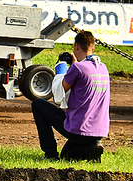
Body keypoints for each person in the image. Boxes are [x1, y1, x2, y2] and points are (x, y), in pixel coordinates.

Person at [31, 30, 110, 162]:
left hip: (79, 130)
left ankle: (50, 155)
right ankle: (93, 147)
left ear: (77, 46)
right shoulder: (103, 68)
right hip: (99, 131)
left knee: (38, 105)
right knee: (67, 156)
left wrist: (62, 66)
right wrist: (74, 66)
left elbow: (58, 95)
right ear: (93, 47)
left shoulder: (78, 68)